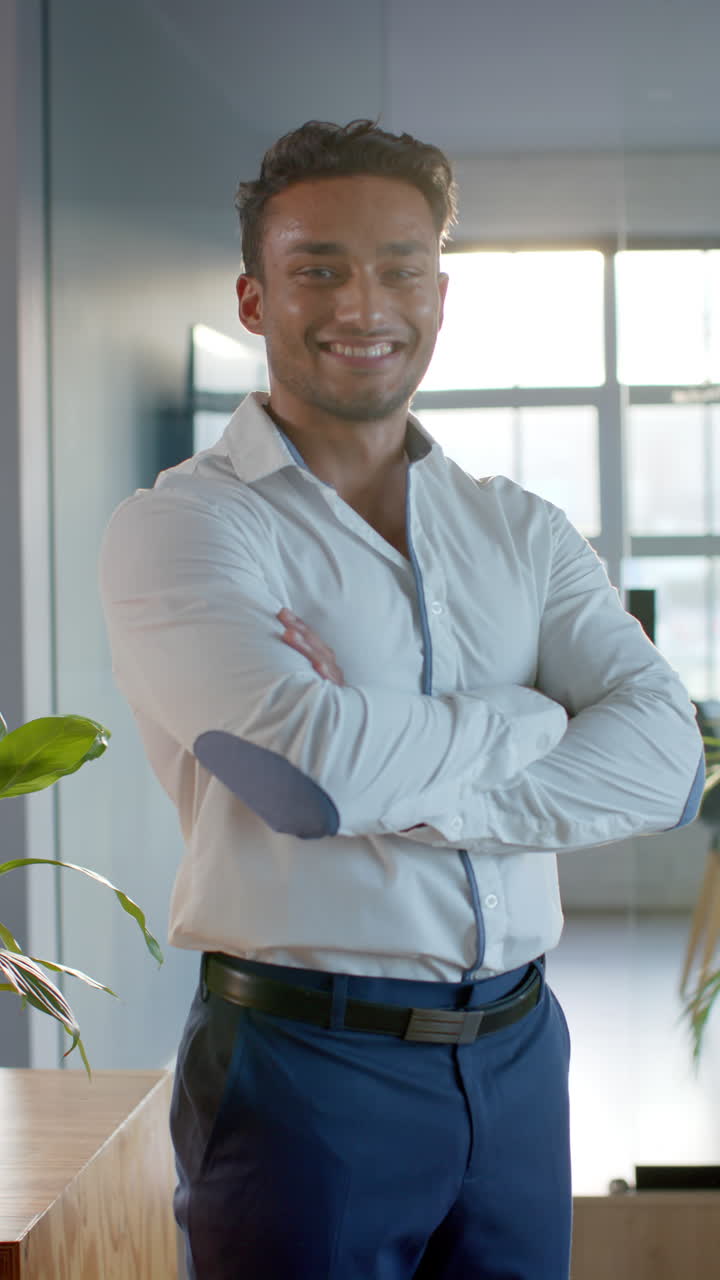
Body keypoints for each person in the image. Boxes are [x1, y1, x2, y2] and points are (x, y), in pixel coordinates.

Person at [99, 119, 704, 1279]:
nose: (362, 302)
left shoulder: (520, 529)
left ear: (441, 289)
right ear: (252, 295)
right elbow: (316, 776)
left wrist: (412, 781)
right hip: (305, 1070)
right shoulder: (186, 526)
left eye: (400, 266)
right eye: (317, 266)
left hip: (521, 1055)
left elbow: (666, 760)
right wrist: (532, 714)